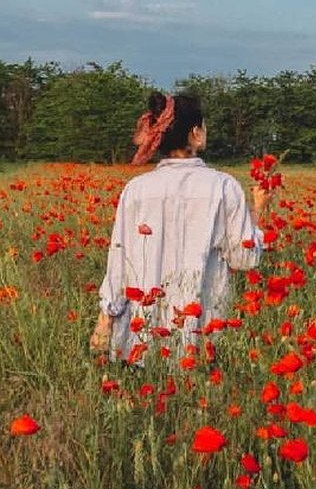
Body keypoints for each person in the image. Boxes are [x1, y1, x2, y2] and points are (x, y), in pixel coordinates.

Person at [88, 91, 269, 365]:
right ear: (195, 133)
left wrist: (105, 322)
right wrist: (259, 209)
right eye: (203, 126)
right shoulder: (223, 186)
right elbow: (244, 258)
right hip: (201, 339)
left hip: (142, 343)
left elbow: (119, 261)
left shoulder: (136, 190)